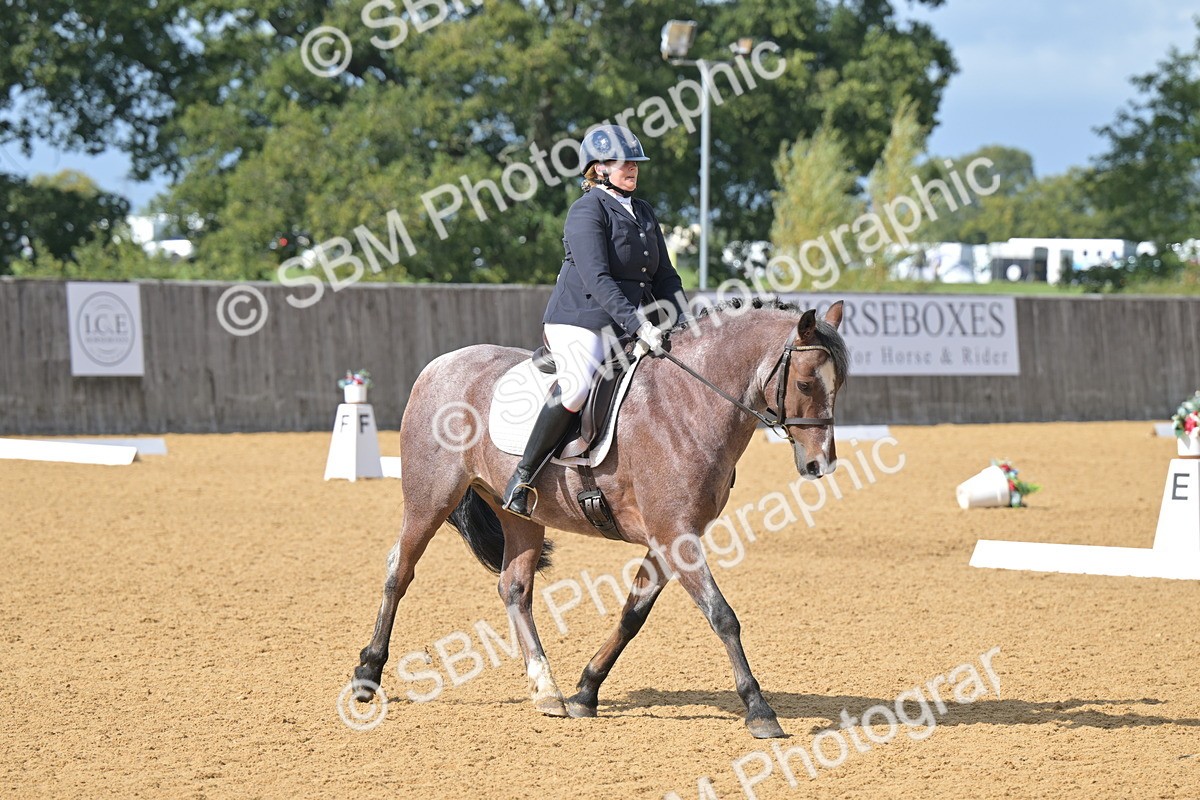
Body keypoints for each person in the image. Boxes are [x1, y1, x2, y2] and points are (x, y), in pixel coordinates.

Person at [501, 124, 690, 518]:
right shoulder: (587, 210)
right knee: (578, 384)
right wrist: (639, 325)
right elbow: (597, 278)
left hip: (628, 320)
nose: (632, 169)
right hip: (580, 319)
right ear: (599, 168)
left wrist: (684, 323)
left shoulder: (644, 211)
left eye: (635, 162)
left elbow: (665, 276)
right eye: (623, 162)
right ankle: (522, 477)